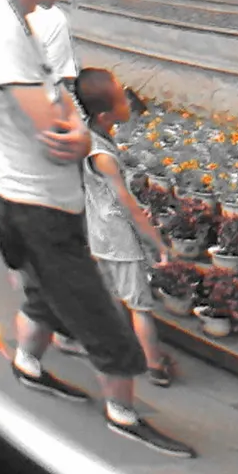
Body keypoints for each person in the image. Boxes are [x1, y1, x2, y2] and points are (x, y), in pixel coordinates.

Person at [0, 0, 194, 458]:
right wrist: (85, 138)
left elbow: (57, 110)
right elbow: (58, 131)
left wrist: (68, 120)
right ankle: (124, 413)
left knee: (44, 297)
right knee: (98, 315)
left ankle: (28, 363)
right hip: (38, 204)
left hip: (25, 197)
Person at [72, 67, 179, 386]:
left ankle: (116, 344)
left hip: (97, 230)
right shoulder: (103, 156)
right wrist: (155, 241)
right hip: (117, 237)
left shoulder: (88, 134)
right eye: (122, 99)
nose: (129, 102)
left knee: (112, 295)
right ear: (106, 115)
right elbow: (128, 205)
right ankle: (154, 364)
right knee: (139, 304)